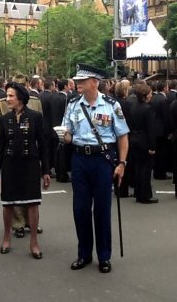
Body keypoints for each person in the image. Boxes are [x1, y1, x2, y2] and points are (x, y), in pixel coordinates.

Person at [62, 64, 129, 274]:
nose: (78, 84)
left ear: (94, 82)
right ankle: (84, 253)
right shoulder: (73, 105)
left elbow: (122, 136)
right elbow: (68, 133)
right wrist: (63, 135)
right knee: (80, 209)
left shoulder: (111, 105)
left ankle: (104, 256)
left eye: (82, 81)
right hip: (80, 159)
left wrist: (122, 163)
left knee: (102, 210)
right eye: (77, 81)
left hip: (102, 161)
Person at [0, 83, 51, 258]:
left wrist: (45, 171)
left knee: (32, 203)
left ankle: (33, 241)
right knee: (8, 204)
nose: (7, 99)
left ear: (20, 98)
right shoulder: (5, 118)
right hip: (9, 166)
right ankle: (6, 237)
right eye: (7, 95)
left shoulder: (35, 117)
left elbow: (43, 146)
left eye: (11, 96)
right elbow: (0, 148)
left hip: (30, 165)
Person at [128, 83, 157, 203]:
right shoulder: (148, 109)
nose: (151, 95)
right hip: (144, 141)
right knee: (145, 169)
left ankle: (138, 193)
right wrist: (152, 146)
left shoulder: (134, 106)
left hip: (134, 139)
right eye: (150, 93)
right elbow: (150, 129)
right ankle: (145, 195)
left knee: (138, 168)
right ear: (145, 95)